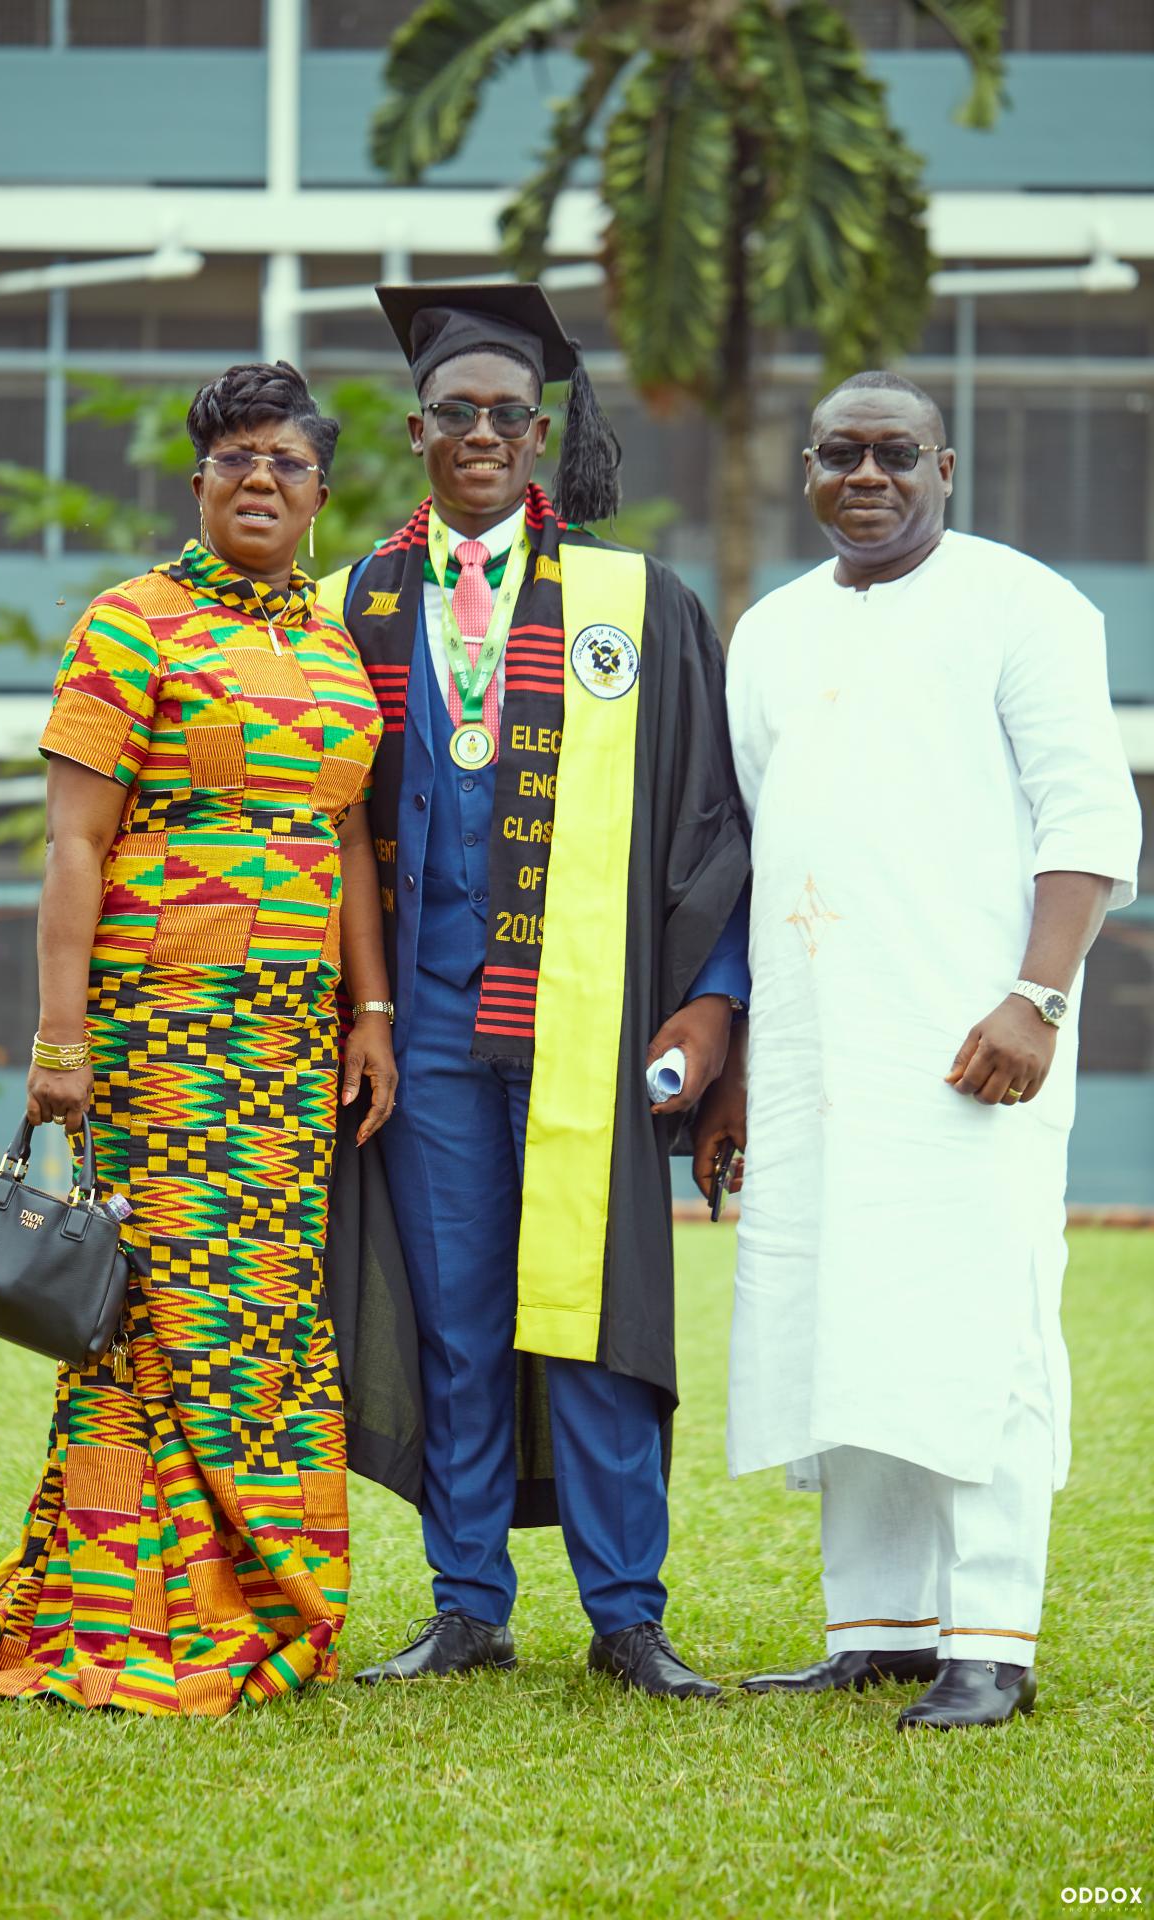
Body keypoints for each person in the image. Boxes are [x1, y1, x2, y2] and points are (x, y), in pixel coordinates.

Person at [0, 361, 395, 1715]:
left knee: (265, 1308)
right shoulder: (129, 623)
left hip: (291, 1045)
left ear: (321, 490)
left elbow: (345, 837)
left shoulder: (333, 639)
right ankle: (128, 1597)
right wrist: (59, 1042)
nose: (262, 480)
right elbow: (74, 844)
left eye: (287, 461)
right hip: (166, 1029)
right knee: (160, 1306)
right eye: (237, 460)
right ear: (199, 481)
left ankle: (258, 1585)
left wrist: (373, 1012)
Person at [693, 370, 1141, 1731]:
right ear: (808, 470)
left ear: (946, 467)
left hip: (973, 1043)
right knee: (844, 1325)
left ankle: (991, 1640)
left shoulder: (1028, 605)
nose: (868, 477)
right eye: (841, 454)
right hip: (815, 1052)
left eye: (897, 453)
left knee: (977, 1326)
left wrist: (1038, 998)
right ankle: (879, 1629)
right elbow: (762, 848)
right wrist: (742, 1067)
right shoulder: (771, 631)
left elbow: (1087, 819)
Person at [321, 284, 750, 1699]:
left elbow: (707, 819)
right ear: (417, 431)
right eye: (457, 411)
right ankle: (468, 1605)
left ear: (544, 432)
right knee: (455, 1316)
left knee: (589, 1308)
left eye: (512, 414)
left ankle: (627, 1613)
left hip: (583, 1019)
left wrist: (713, 1001)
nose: (485, 434)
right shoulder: (350, 604)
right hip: (419, 1028)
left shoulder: (636, 600)